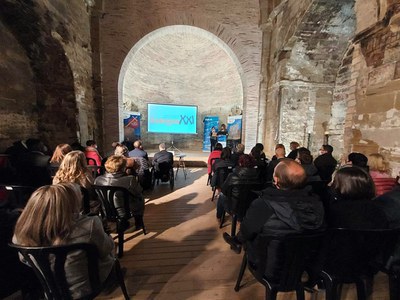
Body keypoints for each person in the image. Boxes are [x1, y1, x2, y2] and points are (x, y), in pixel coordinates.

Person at [12, 183, 115, 299]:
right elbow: (106, 249)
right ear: (70, 204)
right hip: (88, 285)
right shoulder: (89, 225)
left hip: (50, 288)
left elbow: (25, 260)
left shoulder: (21, 232)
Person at [223, 159, 325, 270]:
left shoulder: (263, 204)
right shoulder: (318, 202)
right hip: (307, 264)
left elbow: (247, 231)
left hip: (269, 265)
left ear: (276, 180)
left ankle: (236, 242)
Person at [94, 155, 145, 229]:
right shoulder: (130, 179)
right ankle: (138, 222)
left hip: (106, 209)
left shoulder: (98, 180)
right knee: (140, 197)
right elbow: (138, 192)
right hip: (125, 210)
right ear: (123, 167)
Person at [216, 154, 262, 219]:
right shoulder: (258, 177)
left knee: (221, 195)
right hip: (250, 206)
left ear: (240, 163)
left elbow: (224, 190)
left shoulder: (232, 176)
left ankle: (219, 216)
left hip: (234, 208)